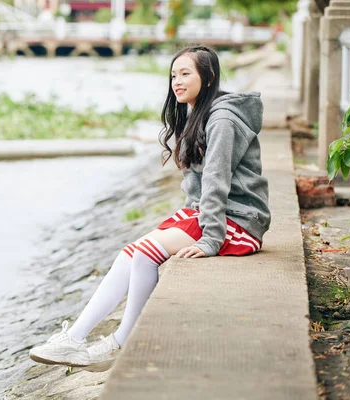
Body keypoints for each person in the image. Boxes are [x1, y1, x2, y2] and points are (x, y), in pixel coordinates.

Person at [28, 45, 271, 372]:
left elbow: (216, 180)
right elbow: (198, 186)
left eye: (186, 74)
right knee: (128, 254)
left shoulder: (223, 119)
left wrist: (209, 240)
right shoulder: (197, 112)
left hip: (238, 221)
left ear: (209, 77)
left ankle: (120, 342)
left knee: (144, 253)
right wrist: (189, 221)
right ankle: (74, 338)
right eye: (173, 74)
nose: (177, 82)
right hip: (214, 214)